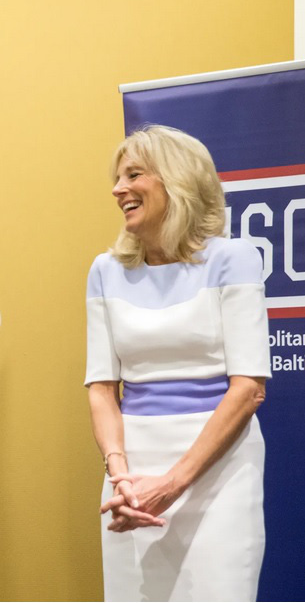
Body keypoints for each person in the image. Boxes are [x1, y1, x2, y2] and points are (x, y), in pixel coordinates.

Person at [85, 125, 270, 601]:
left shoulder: (234, 259)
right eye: (117, 177)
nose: (117, 188)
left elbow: (249, 388)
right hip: (130, 477)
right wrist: (120, 474)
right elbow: (102, 389)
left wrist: (172, 483)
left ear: (176, 181)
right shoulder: (105, 271)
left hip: (220, 474)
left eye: (134, 174)